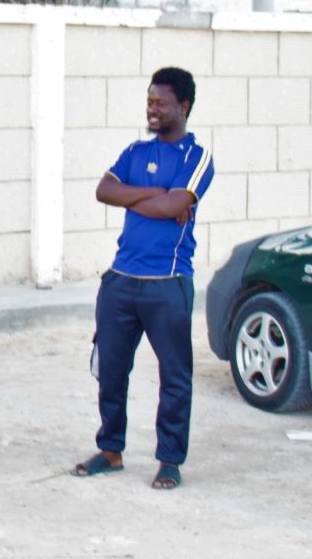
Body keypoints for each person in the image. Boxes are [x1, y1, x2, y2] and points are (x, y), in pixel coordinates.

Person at [72, 66, 214, 490]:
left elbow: (173, 208)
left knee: (174, 375)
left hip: (166, 283)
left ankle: (169, 459)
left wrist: (147, 199)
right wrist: (157, 195)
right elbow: (104, 190)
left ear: (183, 107)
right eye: (149, 100)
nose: (151, 108)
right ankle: (110, 450)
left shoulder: (196, 157)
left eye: (160, 102)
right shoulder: (135, 150)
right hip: (120, 281)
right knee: (111, 370)